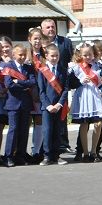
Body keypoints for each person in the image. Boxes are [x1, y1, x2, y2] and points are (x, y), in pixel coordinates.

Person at [41, 19, 74, 155]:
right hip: (46, 84)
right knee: (46, 123)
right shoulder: (40, 43)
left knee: (62, 115)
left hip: (61, 83)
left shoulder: (65, 42)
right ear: (42, 30)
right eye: (47, 27)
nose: (51, 29)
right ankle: (46, 148)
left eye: (53, 26)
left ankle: (63, 144)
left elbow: (71, 59)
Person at [69, 42, 102, 162]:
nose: (87, 57)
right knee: (84, 124)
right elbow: (70, 84)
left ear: (93, 54)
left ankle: (94, 151)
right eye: (85, 55)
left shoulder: (98, 65)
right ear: (80, 55)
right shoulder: (76, 67)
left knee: (98, 123)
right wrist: (80, 81)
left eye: (89, 54)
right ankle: (85, 152)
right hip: (83, 95)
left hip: (95, 95)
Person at [2, 44, 37, 167]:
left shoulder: (29, 67)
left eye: (24, 54)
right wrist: (24, 85)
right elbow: (9, 85)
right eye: (20, 54)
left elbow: (32, 81)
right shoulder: (8, 66)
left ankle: (21, 156)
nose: (22, 57)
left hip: (26, 104)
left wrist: (19, 82)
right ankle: (8, 156)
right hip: (13, 104)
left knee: (24, 130)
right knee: (13, 129)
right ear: (13, 55)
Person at [37, 44, 68, 166]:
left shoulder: (63, 70)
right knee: (47, 130)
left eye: (57, 56)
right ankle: (47, 156)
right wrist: (48, 105)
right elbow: (41, 91)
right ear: (47, 56)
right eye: (52, 56)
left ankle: (57, 155)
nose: (55, 58)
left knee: (57, 131)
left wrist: (60, 104)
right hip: (47, 107)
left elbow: (65, 89)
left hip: (58, 106)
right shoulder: (42, 71)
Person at [27, 27, 45, 162]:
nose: (37, 41)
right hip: (27, 93)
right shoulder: (26, 55)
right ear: (29, 40)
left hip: (41, 93)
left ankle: (37, 151)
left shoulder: (46, 55)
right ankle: (20, 151)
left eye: (39, 38)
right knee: (26, 122)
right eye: (35, 39)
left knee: (39, 121)